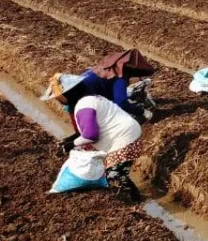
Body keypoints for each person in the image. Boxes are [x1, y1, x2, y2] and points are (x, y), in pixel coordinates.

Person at [42, 72, 143, 201]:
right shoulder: (91, 99)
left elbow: (91, 135)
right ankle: (136, 199)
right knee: (116, 173)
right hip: (126, 134)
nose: (58, 100)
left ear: (68, 94)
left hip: (124, 138)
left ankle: (132, 202)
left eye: (59, 97)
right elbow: (85, 133)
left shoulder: (84, 106)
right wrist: (70, 140)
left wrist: (71, 145)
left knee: (114, 175)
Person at [76, 49, 156, 124]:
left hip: (77, 95)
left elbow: (110, 96)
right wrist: (143, 112)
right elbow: (121, 102)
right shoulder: (119, 77)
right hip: (84, 100)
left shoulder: (101, 68)